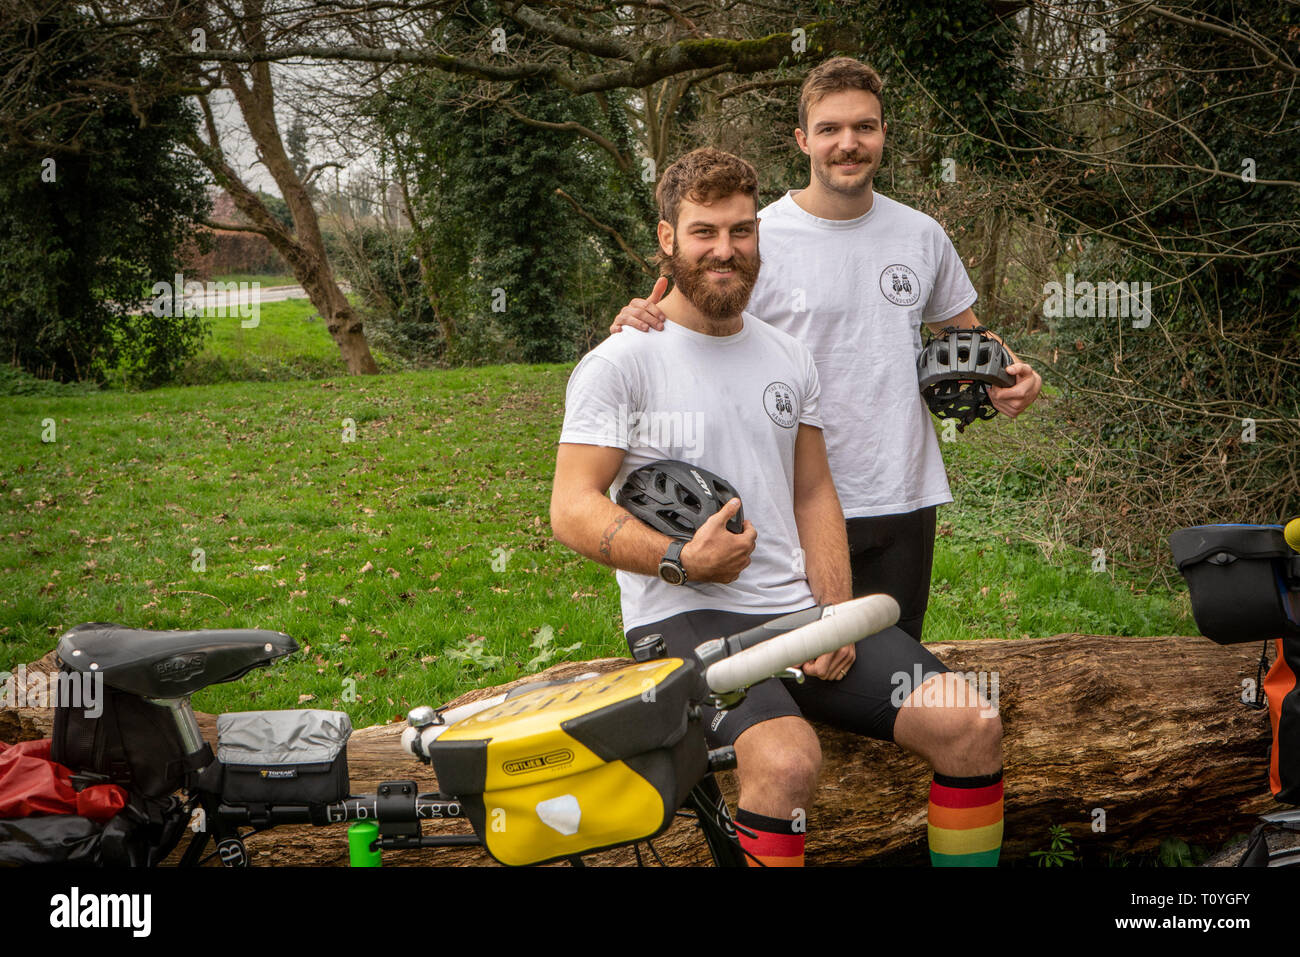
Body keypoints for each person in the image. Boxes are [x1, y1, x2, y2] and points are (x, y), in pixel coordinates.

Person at [552, 147, 1002, 867]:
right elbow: (571, 507)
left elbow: (813, 490)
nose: (725, 250)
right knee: (789, 761)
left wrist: (834, 610)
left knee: (971, 722)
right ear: (667, 239)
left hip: (794, 613)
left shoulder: (788, 356)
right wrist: (677, 558)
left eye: (740, 231)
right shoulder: (622, 361)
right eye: (704, 233)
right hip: (685, 619)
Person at [611, 57, 1043, 644]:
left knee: (892, 663)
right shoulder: (751, 236)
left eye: (864, 127)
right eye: (830, 129)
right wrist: (635, 316)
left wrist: (1012, 373)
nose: (848, 143)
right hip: (787, 497)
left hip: (900, 489)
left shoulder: (921, 234)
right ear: (802, 140)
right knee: (800, 667)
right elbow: (687, 322)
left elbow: (966, 336)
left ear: (883, 133)